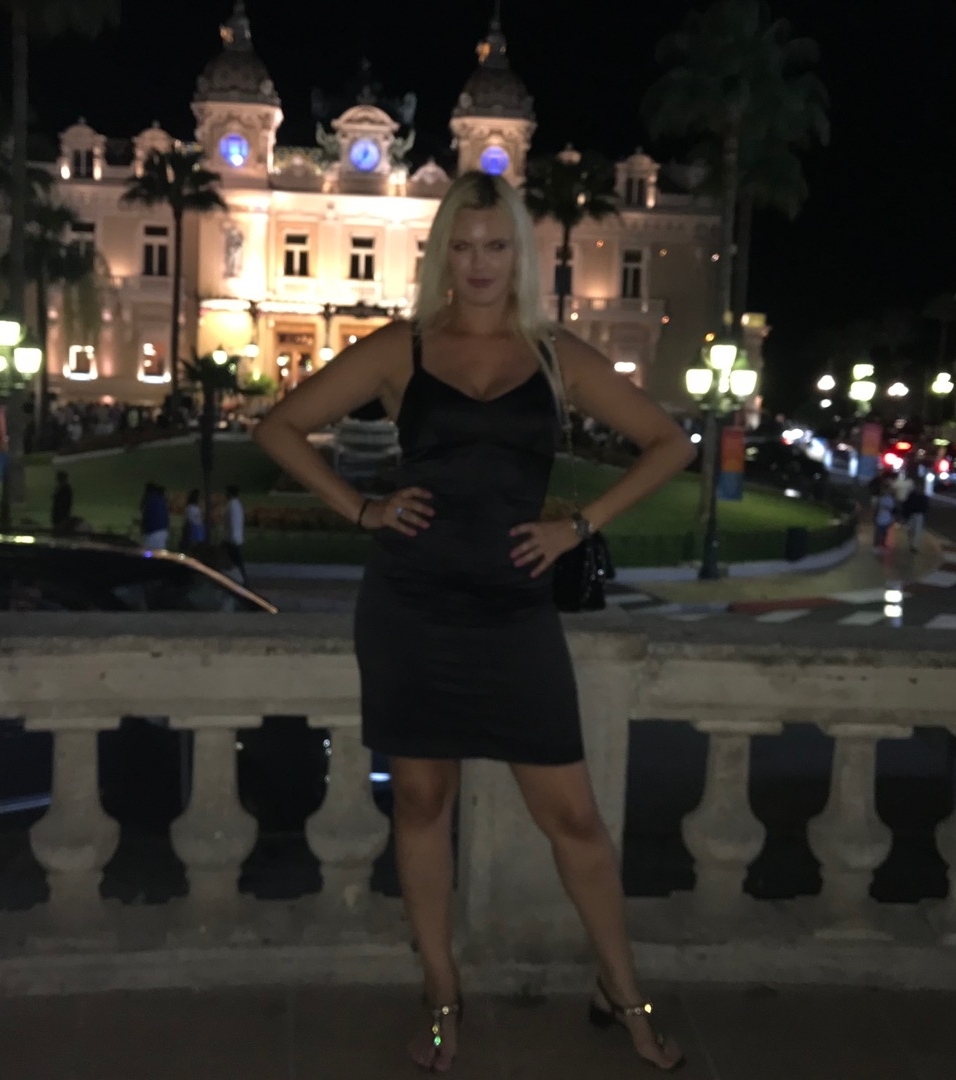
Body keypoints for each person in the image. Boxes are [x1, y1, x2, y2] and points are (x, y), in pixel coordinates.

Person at [253, 170, 693, 1072]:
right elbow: (280, 428)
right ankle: (442, 992)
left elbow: (670, 443)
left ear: (518, 253)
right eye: (462, 245)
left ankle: (623, 992)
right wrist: (364, 510)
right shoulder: (402, 348)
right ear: (441, 254)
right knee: (422, 803)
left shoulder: (554, 354)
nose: (480, 262)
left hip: (516, 611)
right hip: (412, 605)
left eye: (496, 245)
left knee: (573, 818)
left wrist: (579, 526)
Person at [224, 483, 249, 583]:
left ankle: (243, 581)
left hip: (231, 539)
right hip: (236, 538)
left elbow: (232, 522)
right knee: (236, 561)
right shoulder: (238, 504)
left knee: (235, 561)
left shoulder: (231, 505)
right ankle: (241, 580)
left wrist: (232, 538)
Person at [140, 482, 170, 550]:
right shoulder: (161, 500)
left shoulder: (150, 499)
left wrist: (142, 527)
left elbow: (146, 516)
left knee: (148, 553)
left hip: (152, 532)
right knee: (159, 553)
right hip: (163, 531)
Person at [904, 483, 929, 552]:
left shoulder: (924, 497)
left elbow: (926, 507)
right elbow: (907, 505)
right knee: (911, 530)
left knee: (917, 531)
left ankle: (914, 545)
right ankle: (911, 542)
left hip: (919, 515)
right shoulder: (911, 496)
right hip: (912, 515)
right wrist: (906, 515)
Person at [873, 481, 896, 552]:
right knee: (878, 532)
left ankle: (882, 544)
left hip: (887, 518)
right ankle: (876, 545)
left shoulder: (890, 498)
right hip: (880, 517)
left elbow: (892, 508)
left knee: (884, 532)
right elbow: (876, 508)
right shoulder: (879, 498)